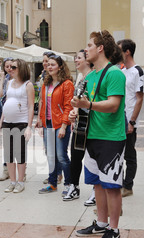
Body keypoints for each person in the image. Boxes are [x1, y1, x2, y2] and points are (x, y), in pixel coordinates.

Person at [71, 30, 126, 238]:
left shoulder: (114, 74)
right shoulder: (90, 76)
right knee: (97, 185)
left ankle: (114, 229)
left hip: (110, 137)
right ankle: (102, 223)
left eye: (89, 45)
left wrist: (88, 105)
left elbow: (113, 105)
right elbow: (86, 104)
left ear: (100, 48)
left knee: (112, 186)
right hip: (90, 136)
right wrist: (77, 112)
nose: (86, 49)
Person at [37, 54, 74, 196]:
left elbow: (68, 106)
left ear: (60, 67)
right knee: (50, 155)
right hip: (48, 125)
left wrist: (64, 126)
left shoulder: (67, 84)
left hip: (60, 124)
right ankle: (52, 183)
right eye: (48, 64)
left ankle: (69, 184)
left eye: (53, 64)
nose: (49, 67)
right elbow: (43, 105)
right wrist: (41, 121)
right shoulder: (46, 84)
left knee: (61, 155)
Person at [0, 59, 34, 193]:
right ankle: (12, 181)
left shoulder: (28, 85)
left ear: (21, 69)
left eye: (14, 67)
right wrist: (0, 122)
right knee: (9, 154)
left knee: (20, 153)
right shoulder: (9, 83)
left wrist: (29, 126)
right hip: (7, 122)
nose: (10, 69)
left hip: (21, 122)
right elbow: (3, 99)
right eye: (10, 67)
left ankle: (20, 182)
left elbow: (30, 106)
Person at [63, 50, 92, 201]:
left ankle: (96, 190)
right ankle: (74, 186)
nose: (76, 60)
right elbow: (76, 99)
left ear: (88, 60)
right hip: (80, 123)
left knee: (93, 158)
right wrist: (73, 112)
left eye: (79, 58)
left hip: (92, 122)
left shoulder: (94, 77)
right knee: (75, 156)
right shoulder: (80, 77)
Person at [117, 39, 144, 198]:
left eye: (119, 50)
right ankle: (118, 184)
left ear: (127, 52)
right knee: (117, 155)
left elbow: (139, 98)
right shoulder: (121, 70)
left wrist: (132, 122)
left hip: (128, 121)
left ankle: (128, 186)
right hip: (118, 120)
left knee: (129, 155)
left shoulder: (137, 71)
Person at [0, 57, 14, 181]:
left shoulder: (21, 79)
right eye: (7, 66)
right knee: (7, 144)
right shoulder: (5, 79)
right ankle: (6, 169)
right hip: (5, 113)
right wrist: (2, 78)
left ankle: (20, 171)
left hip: (18, 114)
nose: (9, 69)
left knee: (19, 145)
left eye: (11, 66)